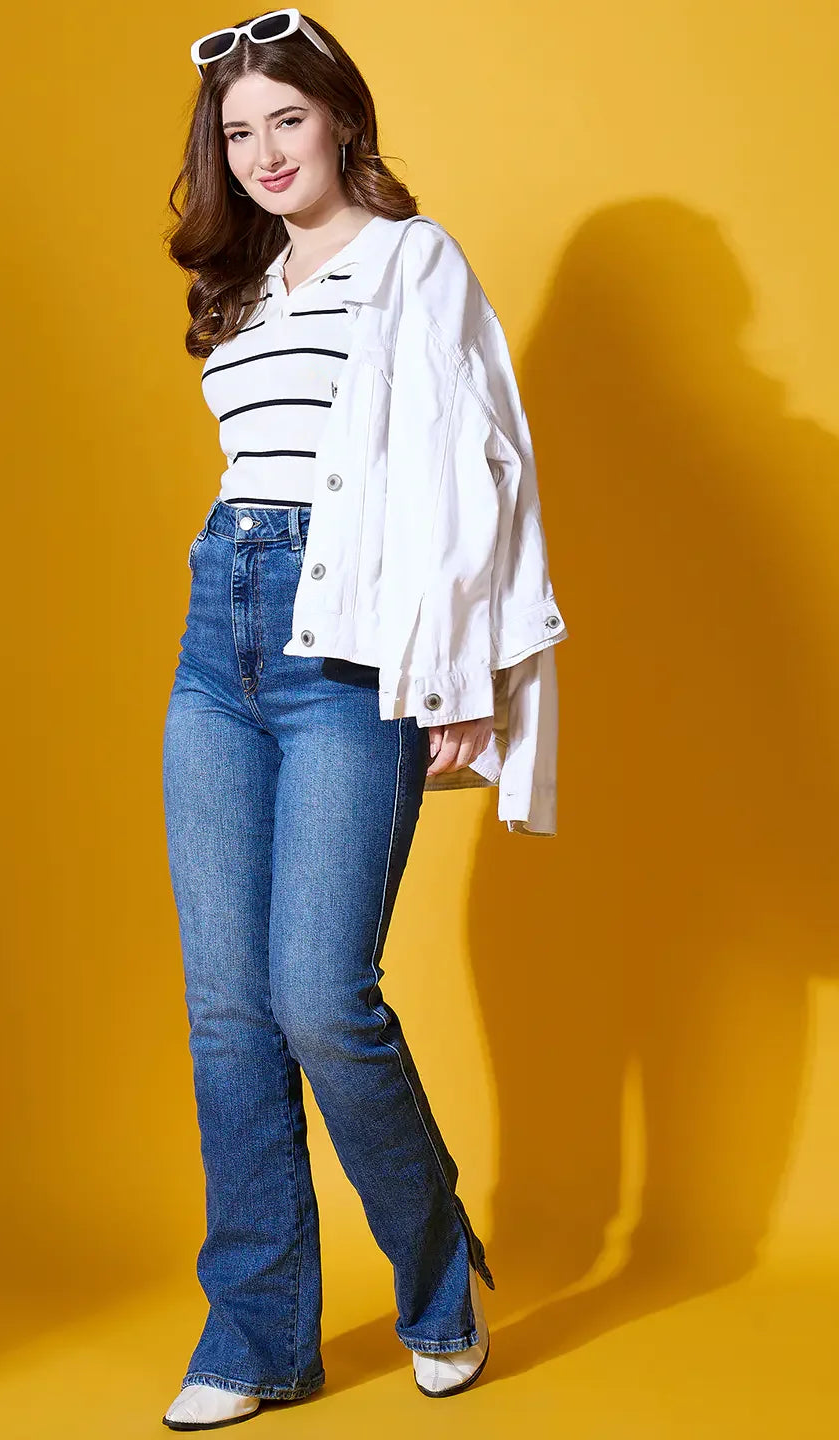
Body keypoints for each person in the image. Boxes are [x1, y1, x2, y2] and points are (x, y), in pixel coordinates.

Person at [159, 9, 565, 1430]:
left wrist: (460, 675)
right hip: (222, 633)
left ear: (339, 118)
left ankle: (438, 1270)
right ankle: (259, 1336)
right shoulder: (247, 285)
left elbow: (478, 465)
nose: (266, 152)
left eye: (287, 119)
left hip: (351, 653)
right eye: (238, 132)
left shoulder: (412, 260)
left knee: (321, 998)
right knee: (227, 1017)